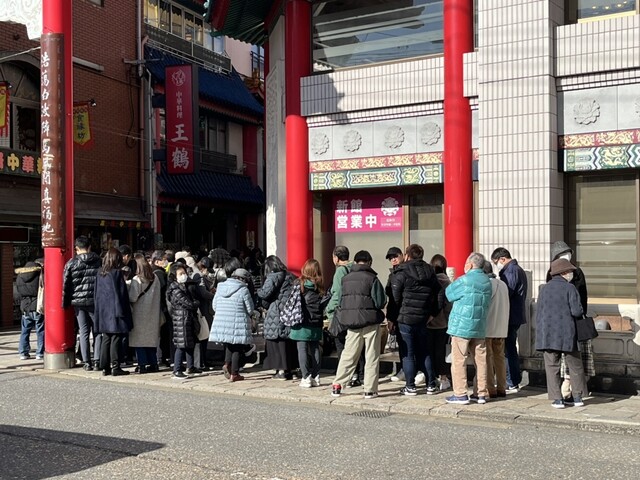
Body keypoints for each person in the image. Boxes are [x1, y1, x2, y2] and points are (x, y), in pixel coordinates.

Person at [331, 250, 386, 400]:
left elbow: (340, 299)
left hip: (352, 323)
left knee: (348, 355)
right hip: (370, 322)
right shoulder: (373, 278)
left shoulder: (345, 279)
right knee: (371, 356)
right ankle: (369, 389)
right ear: (369, 262)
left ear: (355, 262)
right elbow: (380, 301)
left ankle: (337, 385)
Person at [390, 244, 441, 396]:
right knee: (424, 352)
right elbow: (440, 293)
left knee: (408, 353)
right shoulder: (430, 271)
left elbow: (395, 298)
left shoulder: (402, 272)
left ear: (407, 255)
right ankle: (431, 384)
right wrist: (433, 313)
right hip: (423, 317)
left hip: (405, 318)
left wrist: (392, 318)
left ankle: (410, 386)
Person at [536, 258, 588, 408]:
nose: (571, 274)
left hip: (547, 333)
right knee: (575, 365)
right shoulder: (570, 288)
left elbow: (539, 312)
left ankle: (557, 399)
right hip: (568, 333)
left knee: (552, 366)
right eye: (570, 271)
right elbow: (577, 311)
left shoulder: (544, 289)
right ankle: (577, 397)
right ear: (563, 272)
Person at [546, 241, 593, 402]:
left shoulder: (570, 272)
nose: (566, 257)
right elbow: (581, 301)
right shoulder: (571, 273)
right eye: (562, 255)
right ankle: (574, 393)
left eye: (568, 253)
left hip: (558, 324)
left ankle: (568, 393)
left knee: (565, 361)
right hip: (571, 321)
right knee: (574, 360)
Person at [444, 252, 492, 405]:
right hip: (479, 326)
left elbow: (449, 294)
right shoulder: (487, 281)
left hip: (461, 326)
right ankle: (481, 393)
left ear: (470, 265)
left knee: (459, 360)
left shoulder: (464, 280)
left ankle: (460, 393)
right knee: (481, 361)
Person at [62, 235, 102, 371]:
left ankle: (87, 362)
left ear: (76, 248)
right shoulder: (98, 261)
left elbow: (66, 285)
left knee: (83, 332)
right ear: (89, 247)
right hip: (95, 300)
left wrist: (65, 302)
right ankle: (97, 360)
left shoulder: (71, 263)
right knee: (97, 331)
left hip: (78, 302)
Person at [490, 247, 528, 391]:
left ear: (502, 259)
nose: (496, 266)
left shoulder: (511, 271)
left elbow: (507, 292)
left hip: (510, 315)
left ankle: (511, 380)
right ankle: (512, 379)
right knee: (510, 347)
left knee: (508, 349)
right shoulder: (516, 269)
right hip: (515, 315)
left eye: (496, 262)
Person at [325, 245, 363, 387]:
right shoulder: (356, 268)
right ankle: (359, 374)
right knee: (356, 344)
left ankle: (347, 374)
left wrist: (329, 310)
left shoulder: (340, 271)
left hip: (342, 313)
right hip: (356, 312)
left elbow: (337, 294)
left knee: (342, 345)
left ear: (336, 257)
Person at [210, 265, 255, 382]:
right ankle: (234, 374)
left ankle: (227, 364)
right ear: (243, 279)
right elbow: (250, 309)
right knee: (237, 347)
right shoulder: (243, 290)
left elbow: (214, 306)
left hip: (222, 321)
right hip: (238, 321)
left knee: (229, 345)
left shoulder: (220, 287)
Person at [93, 248, 133, 376]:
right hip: (116, 310)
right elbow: (121, 294)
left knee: (106, 337)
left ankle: (104, 366)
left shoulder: (100, 273)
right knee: (116, 337)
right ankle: (116, 366)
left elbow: (96, 293)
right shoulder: (116, 273)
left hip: (103, 310)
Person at [257, 255, 298, 380]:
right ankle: (292, 370)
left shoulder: (273, 276)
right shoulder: (291, 276)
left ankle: (281, 371)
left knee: (276, 341)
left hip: (276, 311)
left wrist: (258, 291)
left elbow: (264, 293)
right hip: (290, 312)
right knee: (289, 341)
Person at [290, 259, 324, 388]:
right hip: (316, 321)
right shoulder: (320, 285)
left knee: (302, 349)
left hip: (302, 321)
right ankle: (316, 376)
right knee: (315, 348)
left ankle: (306, 377)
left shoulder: (299, 283)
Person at [478, 260, 509, 398]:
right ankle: (502, 387)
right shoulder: (503, 284)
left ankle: (491, 388)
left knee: (488, 358)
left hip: (488, 327)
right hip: (501, 327)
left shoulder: (486, 285)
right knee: (500, 358)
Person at [128, 253, 163, 374]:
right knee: (150, 340)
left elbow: (133, 297)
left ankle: (142, 364)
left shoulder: (137, 279)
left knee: (139, 341)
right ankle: (153, 363)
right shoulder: (155, 278)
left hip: (139, 313)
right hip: (153, 312)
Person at [167, 263, 201, 379]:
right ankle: (177, 369)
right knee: (181, 345)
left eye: (184, 273)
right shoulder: (175, 289)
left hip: (187, 318)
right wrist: (195, 303)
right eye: (180, 274)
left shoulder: (183, 286)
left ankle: (190, 367)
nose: (184, 275)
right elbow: (188, 303)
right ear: (174, 276)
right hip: (181, 319)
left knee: (189, 343)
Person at [428, 254, 453, 391]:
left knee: (429, 351)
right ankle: (443, 378)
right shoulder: (448, 283)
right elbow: (449, 305)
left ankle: (431, 378)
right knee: (442, 351)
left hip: (429, 322)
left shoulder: (429, 281)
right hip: (443, 323)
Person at [384, 246, 407, 383]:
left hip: (407, 312)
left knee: (410, 346)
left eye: (395, 256)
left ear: (402, 255)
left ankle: (412, 371)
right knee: (402, 346)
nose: (393, 259)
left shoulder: (407, 271)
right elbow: (391, 298)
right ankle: (404, 369)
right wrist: (390, 318)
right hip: (397, 314)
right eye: (390, 258)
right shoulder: (392, 275)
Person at [16, 260, 44, 360]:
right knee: (40, 330)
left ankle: (23, 352)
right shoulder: (39, 276)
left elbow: (19, 291)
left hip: (25, 306)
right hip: (37, 305)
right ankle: (40, 353)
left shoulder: (19, 277)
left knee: (25, 331)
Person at [190, 256, 215, 371]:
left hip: (202, 309)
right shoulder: (198, 276)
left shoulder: (196, 275)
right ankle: (201, 362)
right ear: (203, 267)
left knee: (203, 336)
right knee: (203, 335)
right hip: (202, 310)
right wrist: (214, 296)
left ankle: (203, 361)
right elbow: (203, 293)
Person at [151, 250, 172, 367]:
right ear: (157, 261)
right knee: (162, 333)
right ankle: (161, 358)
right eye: (164, 259)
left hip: (156, 307)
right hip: (161, 307)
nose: (166, 261)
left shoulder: (152, 272)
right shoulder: (159, 274)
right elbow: (164, 292)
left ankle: (160, 357)